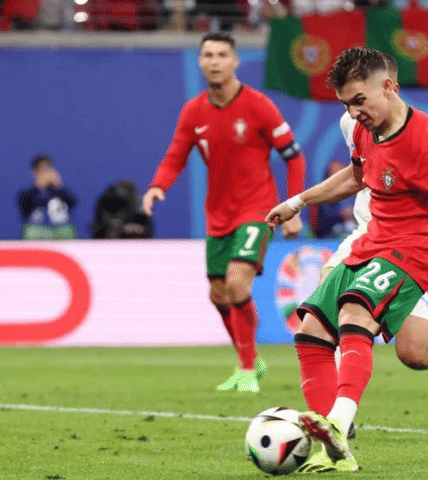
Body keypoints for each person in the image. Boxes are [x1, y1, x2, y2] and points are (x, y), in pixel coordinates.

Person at [266, 47, 428, 473]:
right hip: (374, 239)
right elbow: (357, 176)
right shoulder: (363, 129)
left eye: (360, 101)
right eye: (346, 105)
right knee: (319, 333)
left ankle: (338, 424)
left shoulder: (425, 138)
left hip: (416, 248)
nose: (354, 113)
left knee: (355, 311)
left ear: (389, 87)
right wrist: (297, 202)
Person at [142, 32, 307, 393]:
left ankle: (247, 370)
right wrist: (157, 185)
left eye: (221, 55)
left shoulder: (259, 106)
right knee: (218, 294)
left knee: (236, 282)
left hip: (258, 208)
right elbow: (175, 156)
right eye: (208, 55)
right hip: (218, 214)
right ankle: (251, 360)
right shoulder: (193, 111)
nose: (214, 61)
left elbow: (294, 158)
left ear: (235, 61)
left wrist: (293, 207)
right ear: (200, 62)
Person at [16, 154, 78, 240]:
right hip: (38, 229)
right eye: (41, 170)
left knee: (68, 231)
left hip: (59, 228)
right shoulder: (28, 193)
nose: (45, 173)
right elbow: (24, 210)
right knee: (30, 231)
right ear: (34, 172)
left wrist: (59, 186)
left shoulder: (59, 191)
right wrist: (39, 188)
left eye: (48, 169)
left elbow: (72, 203)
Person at [309, 159, 356, 239]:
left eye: (340, 172)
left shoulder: (355, 191)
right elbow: (319, 222)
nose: (338, 176)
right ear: (328, 175)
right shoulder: (321, 195)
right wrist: (340, 215)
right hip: (328, 236)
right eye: (334, 173)